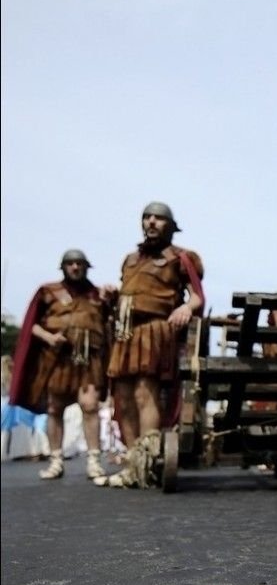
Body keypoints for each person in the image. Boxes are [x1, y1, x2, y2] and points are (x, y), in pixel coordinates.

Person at [95, 202, 204, 488]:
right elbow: (126, 293)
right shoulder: (130, 259)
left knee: (145, 393)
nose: (152, 222)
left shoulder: (182, 258)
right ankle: (133, 464)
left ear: (171, 225)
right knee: (124, 396)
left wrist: (185, 309)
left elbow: (197, 296)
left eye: (159, 218)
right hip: (125, 332)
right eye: (147, 217)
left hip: (155, 330)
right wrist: (112, 294)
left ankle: (149, 462)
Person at [8, 250, 113, 480]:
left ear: (86, 267)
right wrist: (49, 337)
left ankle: (94, 461)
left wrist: (111, 298)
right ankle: (56, 461)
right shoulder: (49, 292)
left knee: (90, 406)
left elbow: (109, 326)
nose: (75, 267)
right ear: (63, 267)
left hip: (88, 360)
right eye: (70, 264)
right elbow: (31, 325)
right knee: (54, 409)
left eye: (79, 264)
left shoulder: (96, 295)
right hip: (57, 360)